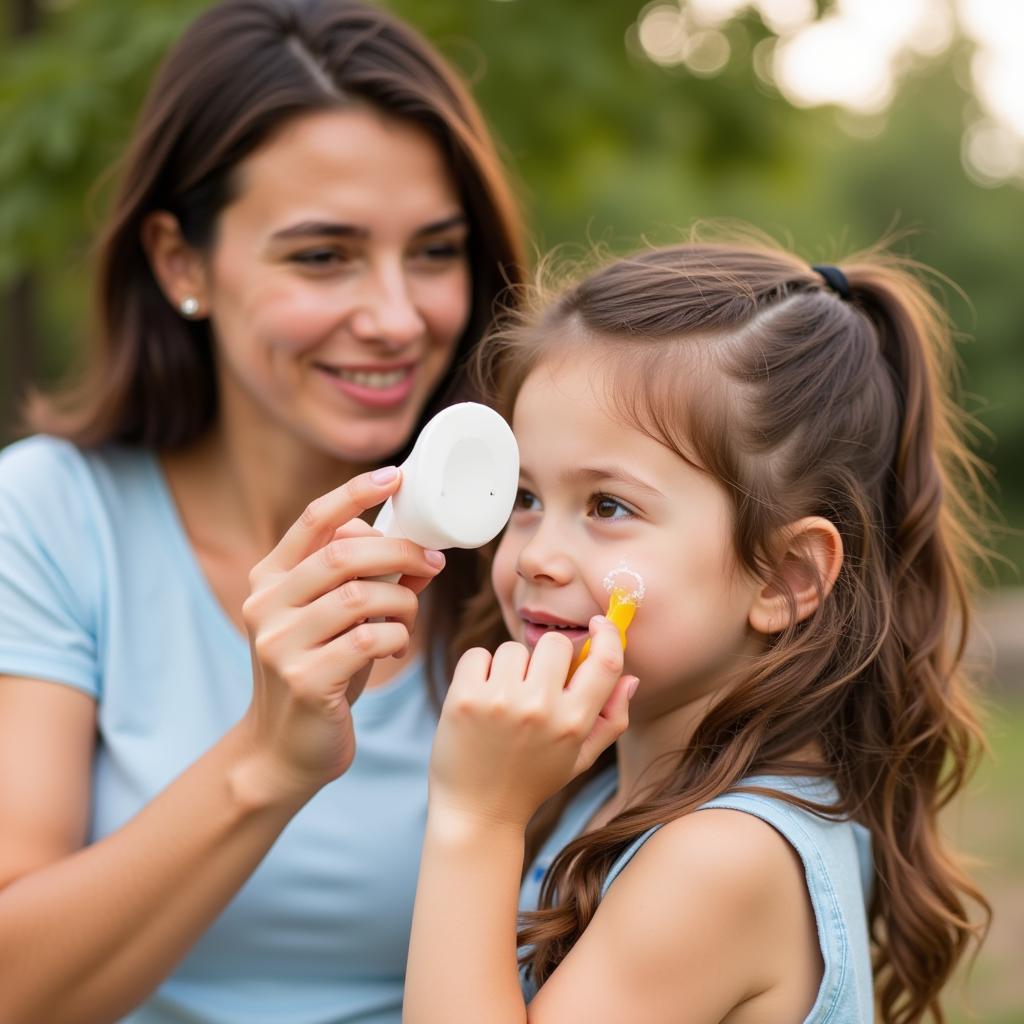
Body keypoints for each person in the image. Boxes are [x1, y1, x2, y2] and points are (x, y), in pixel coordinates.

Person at [0, 0, 525, 1020]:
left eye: (433, 251)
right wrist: (266, 761)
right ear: (180, 262)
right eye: (321, 256)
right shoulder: (51, 515)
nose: (394, 317)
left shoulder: (537, 540)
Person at [405, 236, 991, 1024]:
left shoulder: (721, 859)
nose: (536, 556)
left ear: (786, 578)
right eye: (526, 497)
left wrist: (475, 820)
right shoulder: (619, 787)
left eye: (609, 506)